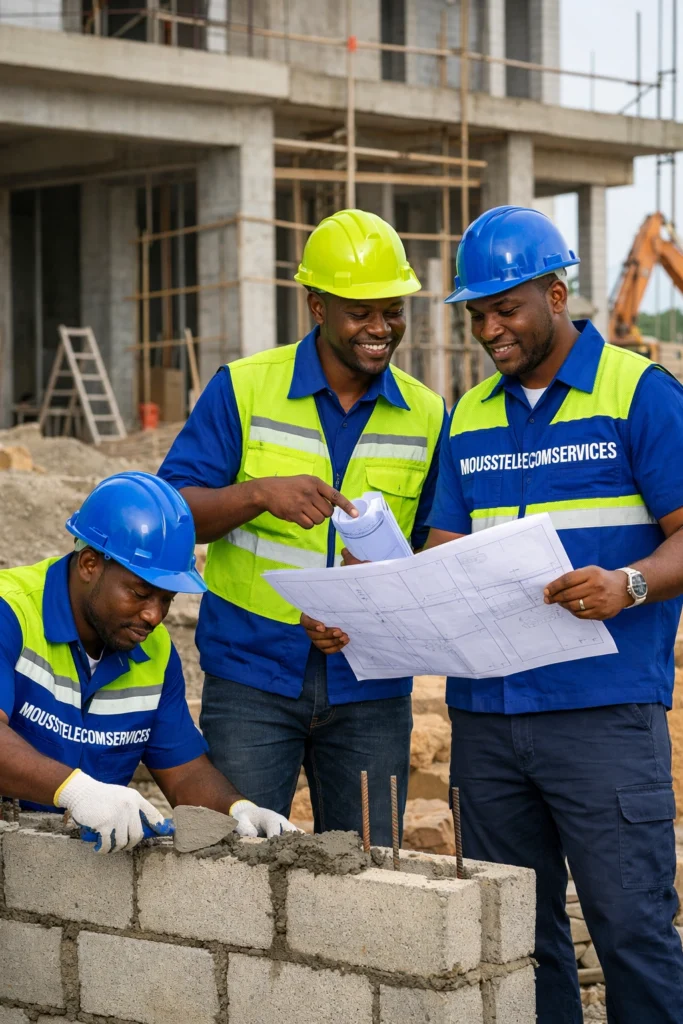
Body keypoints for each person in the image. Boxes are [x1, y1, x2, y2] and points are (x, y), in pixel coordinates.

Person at [427, 205, 683, 1023]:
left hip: (600, 719)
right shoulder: (467, 416)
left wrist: (629, 585)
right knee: (518, 939)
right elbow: (443, 552)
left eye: (505, 309)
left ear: (555, 292)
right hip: (488, 722)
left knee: (632, 929)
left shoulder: (637, 393)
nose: (488, 329)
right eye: (476, 314)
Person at [158, 209, 447, 843]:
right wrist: (258, 494)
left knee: (373, 878)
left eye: (393, 310)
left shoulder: (428, 414)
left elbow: (434, 544)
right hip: (252, 675)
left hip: (371, 684)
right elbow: (172, 513)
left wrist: (378, 591)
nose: (380, 327)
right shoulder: (243, 389)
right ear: (317, 306)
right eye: (359, 311)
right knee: (230, 866)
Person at [0, 472, 296, 853]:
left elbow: (185, 770)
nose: (154, 615)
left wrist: (238, 810)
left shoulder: (154, 652)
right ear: (89, 563)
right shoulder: (12, 613)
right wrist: (76, 790)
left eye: (167, 599)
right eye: (140, 593)